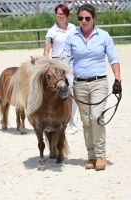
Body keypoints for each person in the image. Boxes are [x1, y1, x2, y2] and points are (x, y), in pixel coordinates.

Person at [63, 4, 122, 171]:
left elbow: (113, 59)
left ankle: (101, 154)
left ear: (94, 19)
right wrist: (65, 81)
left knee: (97, 116)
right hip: (79, 84)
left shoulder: (104, 36)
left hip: (99, 83)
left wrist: (118, 79)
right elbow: (65, 61)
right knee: (86, 121)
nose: (83, 21)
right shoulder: (72, 37)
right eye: (81, 18)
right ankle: (91, 156)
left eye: (87, 18)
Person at [43, 3, 78, 135]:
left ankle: (70, 119)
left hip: (71, 62)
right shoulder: (51, 31)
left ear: (67, 15)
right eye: (58, 13)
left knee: (74, 91)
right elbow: (46, 51)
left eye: (63, 13)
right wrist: (48, 65)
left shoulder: (73, 28)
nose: (60, 16)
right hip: (57, 63)